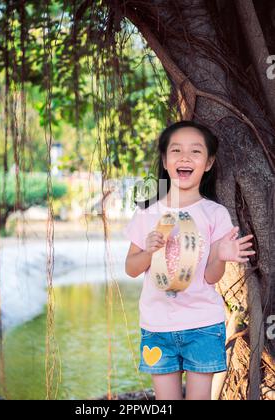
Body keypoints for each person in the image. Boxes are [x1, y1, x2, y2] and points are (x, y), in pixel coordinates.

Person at [123, 121, 255, 400]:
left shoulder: (215, 213)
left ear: (208, 163)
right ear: (165, 160)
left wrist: (220, 255)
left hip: (202, 324)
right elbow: (131, 269)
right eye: (176, 150)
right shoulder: (148, 213)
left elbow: (211, 277)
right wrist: (148, 251)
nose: (185, 157)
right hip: (157, 326)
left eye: (195, 151)